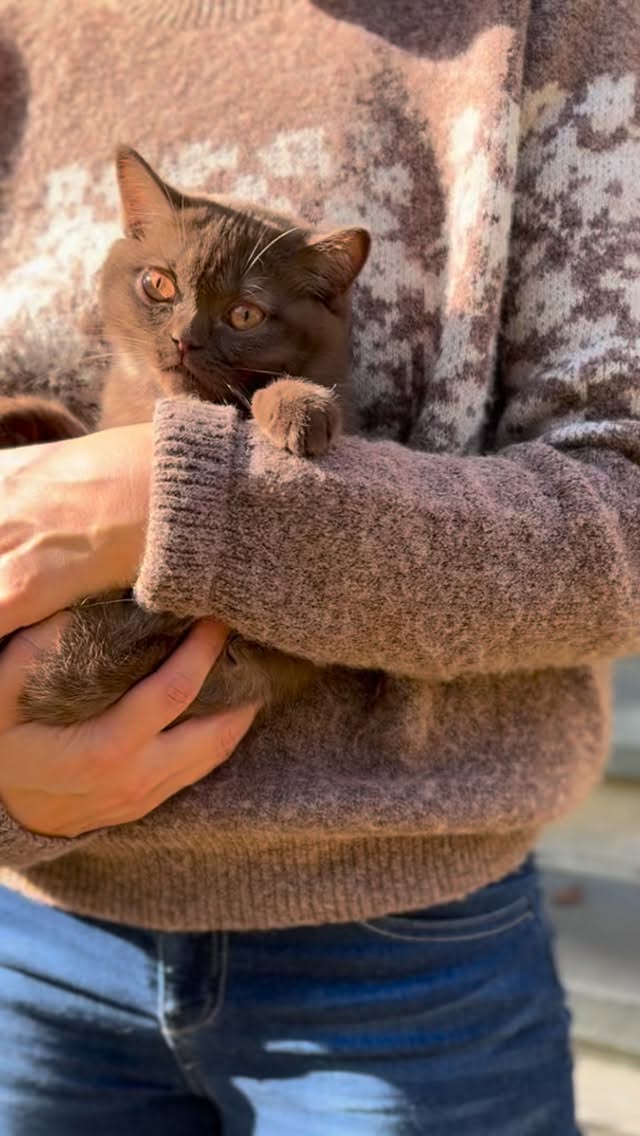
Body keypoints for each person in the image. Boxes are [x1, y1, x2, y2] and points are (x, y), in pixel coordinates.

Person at [0, 0, 638, 1131]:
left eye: (233, 315)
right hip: (26, 931)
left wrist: (182, 499)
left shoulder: (574, 25)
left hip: (396, 956)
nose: (189, 336)